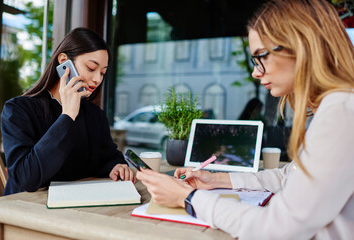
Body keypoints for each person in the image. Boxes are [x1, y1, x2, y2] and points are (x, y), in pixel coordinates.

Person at [137, 0, 354, 239]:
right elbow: (288, 177)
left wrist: (187, 198)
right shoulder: (337, 106)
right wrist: (216, 180)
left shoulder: (342, 111)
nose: (256, 72)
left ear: (300, 45)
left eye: (261, 56)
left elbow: (281, 228)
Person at [1, 28, 135, 196]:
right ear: (64, 61)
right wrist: (67, 116)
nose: (98, 79)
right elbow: (27, 178)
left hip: (77, 209)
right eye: (91, 68)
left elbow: (108, 157)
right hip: (25, 212)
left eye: (102, 73)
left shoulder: (94, 115)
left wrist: (116, 166)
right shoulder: (18, 110)